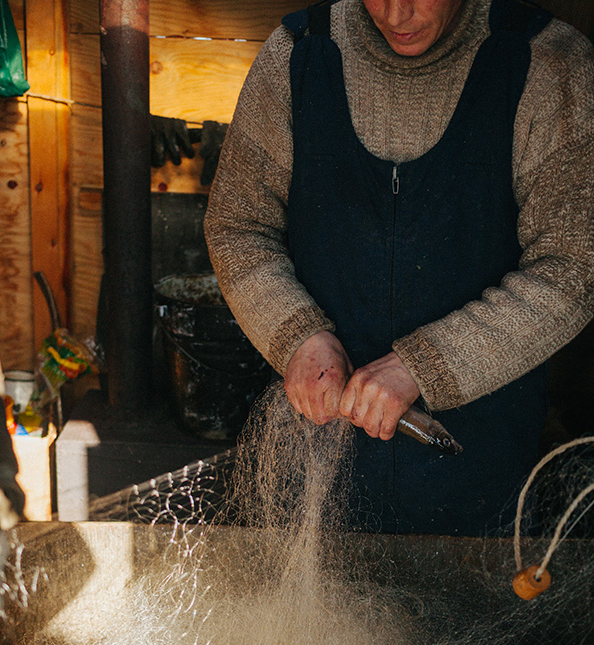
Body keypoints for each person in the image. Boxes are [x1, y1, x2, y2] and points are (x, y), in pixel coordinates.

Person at [204, 0, 594, 535]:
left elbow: (575, 266)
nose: (396, 12)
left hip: (480, 477)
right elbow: (237, 227)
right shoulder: (297, 55)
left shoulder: (547, 65)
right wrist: (297, 336)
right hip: (317, 468)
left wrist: (425, 366)